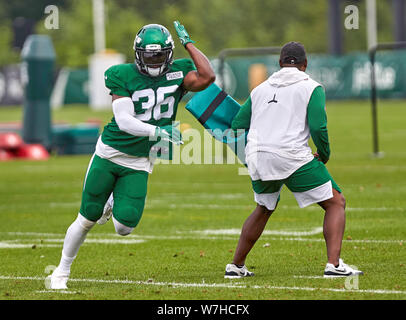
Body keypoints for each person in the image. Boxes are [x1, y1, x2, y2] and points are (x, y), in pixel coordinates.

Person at [49, 21, 215, 289]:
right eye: (148, 56)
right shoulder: (121, 74)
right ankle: (61, 272)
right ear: (137, 55)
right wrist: (157, 132)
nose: (153, 61)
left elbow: (208, 76)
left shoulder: (177, 72)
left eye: (159, 55)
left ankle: (112, 200)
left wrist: (189, 43)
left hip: (140, 160)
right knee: (87, 217)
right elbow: (125, 120)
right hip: (110, 153)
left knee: (124, 228)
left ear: (169, 54)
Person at [224, 41, 363, 279]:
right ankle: (334, 264)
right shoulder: (312, 87)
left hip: (258, 155)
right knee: (336, 202)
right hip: (291, 156)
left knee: (264, 207)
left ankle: (236, 266)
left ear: (279, 63)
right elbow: (319, 126)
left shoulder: (259, 89)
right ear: (305, 64)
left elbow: (237, 124)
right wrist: (325, 154)